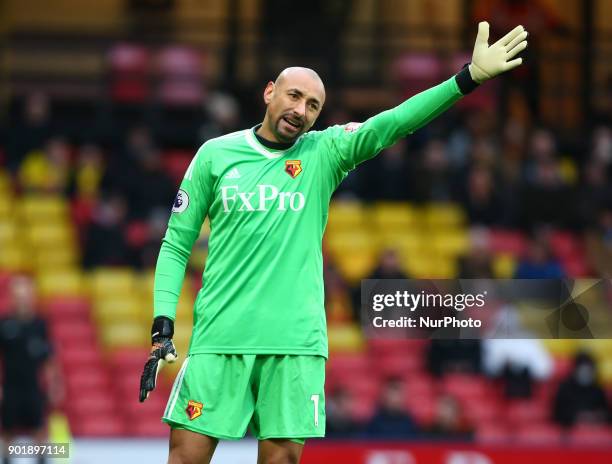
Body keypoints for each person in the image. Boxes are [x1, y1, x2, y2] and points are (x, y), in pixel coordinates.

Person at [139, 22, 528, 464]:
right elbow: (175, 245)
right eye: (294, 96)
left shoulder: (323, 154)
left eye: (313, 105)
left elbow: (393, 123)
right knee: (185, 458)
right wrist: (162, 323)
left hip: (295, 343)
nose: (301, 110)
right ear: (269, 92)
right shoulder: (215, 155)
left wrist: (466, 79)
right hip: (219, 336)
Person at [0, 275, 62, 464]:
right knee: (8, 434)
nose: (22, 299)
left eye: (25, 295)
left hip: (33, 388)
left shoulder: (40, 324)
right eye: (18, 295)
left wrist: (54, 385)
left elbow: (49, 359)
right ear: (12, 297)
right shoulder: (4, 324)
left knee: (40, 433)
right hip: (10, 388)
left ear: (32, 297)